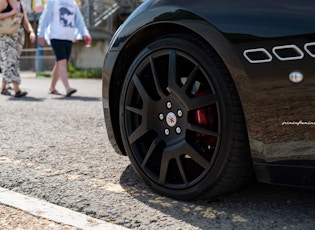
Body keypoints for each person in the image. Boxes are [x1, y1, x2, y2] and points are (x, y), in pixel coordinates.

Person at [37, 0, 91, 96]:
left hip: (69, 38)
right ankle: (68, 88)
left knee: (60, 63)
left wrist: (85, 33)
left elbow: (79, 20)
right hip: (56, 37)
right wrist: (41, 34)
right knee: (63, 62)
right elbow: (45, 18)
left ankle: (52, 87)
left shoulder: (72, 3)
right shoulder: (53, 2)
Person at [0, 0, 35, 97]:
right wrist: (11, 13)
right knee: (11, 61)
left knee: (12, 61)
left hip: (18, 37)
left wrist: (31, 31)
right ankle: (17, 90)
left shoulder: (20, 5)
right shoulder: (3, 2)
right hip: (5, 36)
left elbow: (25, 22)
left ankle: (3, 88)